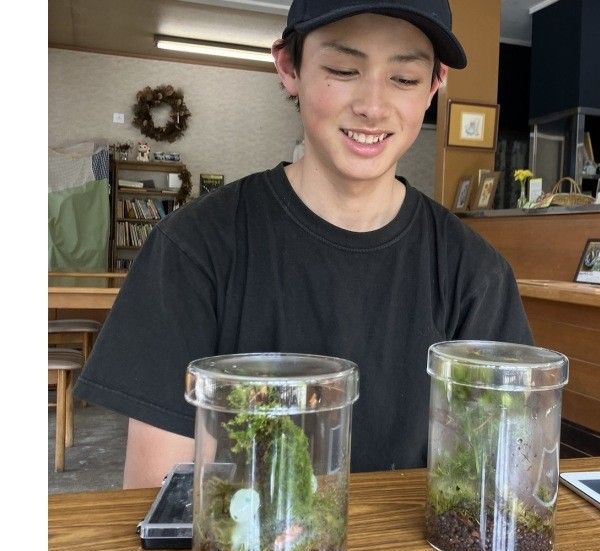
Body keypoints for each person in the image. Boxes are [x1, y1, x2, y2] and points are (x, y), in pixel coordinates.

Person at [74, 0, 534, 488]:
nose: (373, 106)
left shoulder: (476, 275)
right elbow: (160, 496)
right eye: (343, 69)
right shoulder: (192, 250)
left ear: (434, 86)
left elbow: (496, 485)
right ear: (289, 67)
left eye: (404, 79)